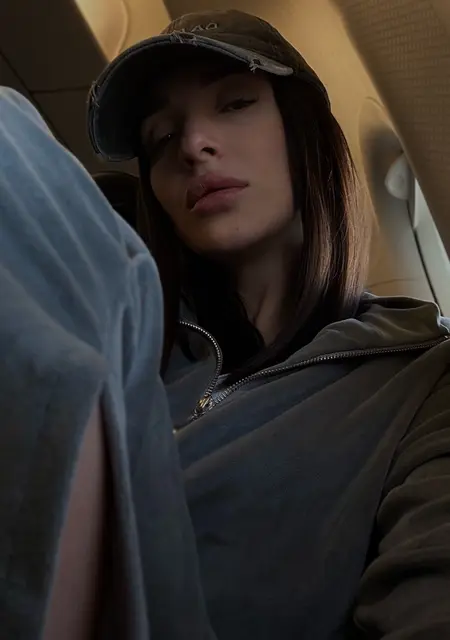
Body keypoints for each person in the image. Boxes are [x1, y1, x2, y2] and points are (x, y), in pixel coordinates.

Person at [1, 8, 450, 640]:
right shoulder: (121, 331)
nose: (192, 145)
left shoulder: (422, 380)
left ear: (307, 134)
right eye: (162, 137)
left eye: (236, 103)